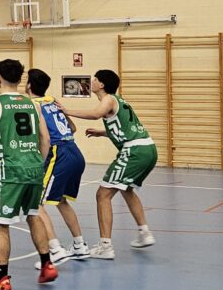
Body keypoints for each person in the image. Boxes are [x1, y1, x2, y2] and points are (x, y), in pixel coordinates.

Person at [0, 58, 57, 290]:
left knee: (0, 223)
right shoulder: (34, 104)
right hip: (33, 169)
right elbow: (46, 139)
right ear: (21, 79)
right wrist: (37, 164)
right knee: (33, 215)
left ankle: (1, 277)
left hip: (9, 170)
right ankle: (47, 264)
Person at [61, 69, 157, 259]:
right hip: (147, 148)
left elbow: (96, 114)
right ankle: (144, 233)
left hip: (134, 151)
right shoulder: (119, 101)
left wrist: (66, 110)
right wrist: (102, 132)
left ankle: (105, 246)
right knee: (126, 189)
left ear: (102, 84)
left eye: (95, 79)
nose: (93, 81)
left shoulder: (108, 100)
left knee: (102, 194)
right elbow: (126, 127)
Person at [25, 68, 89, 265]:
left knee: (35, 202)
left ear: (28, 85)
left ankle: (55, 248)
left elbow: (41, 135)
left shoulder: (31, 105)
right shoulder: (52, 101)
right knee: (61, 200)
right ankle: (79, 245)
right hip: (75, 152)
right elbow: (73, 128)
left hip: (57, 152)